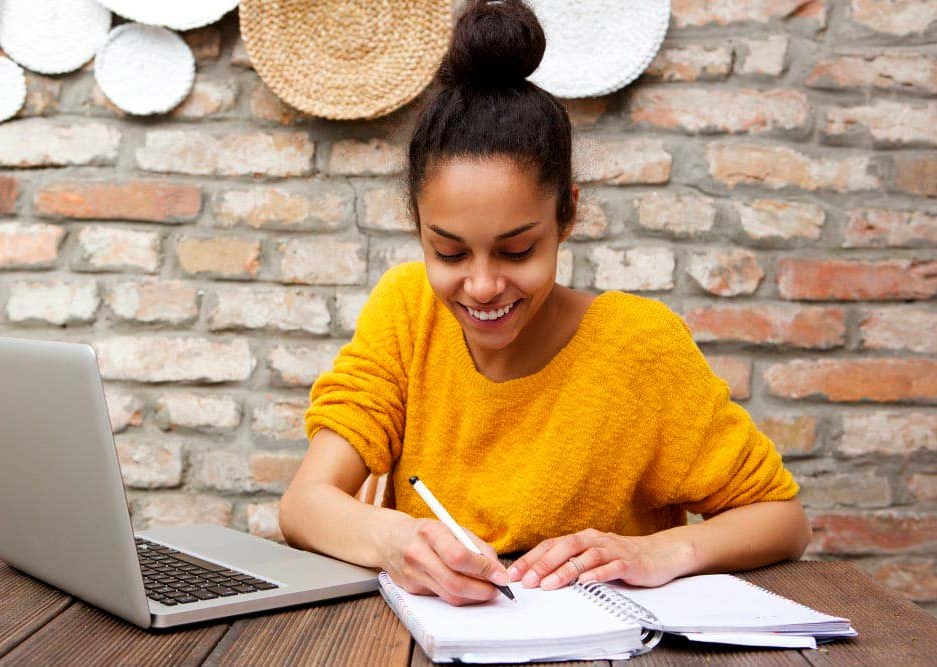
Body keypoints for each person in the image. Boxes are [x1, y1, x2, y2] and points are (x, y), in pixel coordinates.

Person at [279, 0, 810, 607]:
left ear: (567, 214)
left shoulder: (639, 344)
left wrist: (659, 552)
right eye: (449, 254)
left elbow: (784, 520)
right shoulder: (406, 309)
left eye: (517, 251)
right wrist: (394, 539)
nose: (481, 287)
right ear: (418, 228)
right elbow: (304, 505)